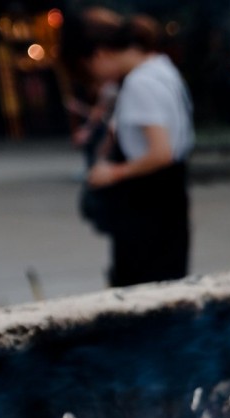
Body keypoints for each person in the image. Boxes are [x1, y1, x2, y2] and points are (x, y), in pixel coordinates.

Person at [61, 9, 194, 288]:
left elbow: (160, 152)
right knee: (167, 290)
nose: (95, 80)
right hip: (169, 200)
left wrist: (113, 173)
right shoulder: (161, 68)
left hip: (148, 207)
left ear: (98, 55)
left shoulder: (140, 83)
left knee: (142, 294)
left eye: (88, 70)